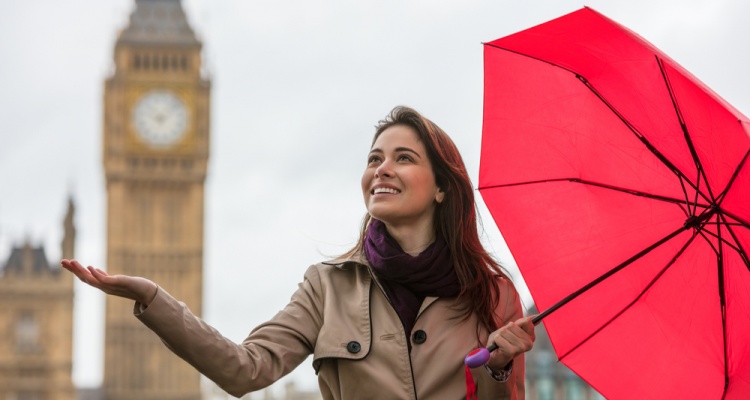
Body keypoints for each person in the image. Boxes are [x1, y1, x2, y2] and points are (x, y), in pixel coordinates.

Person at [62, 106, 535, 400]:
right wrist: (154, 299)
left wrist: (498, 370)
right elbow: (245, 369)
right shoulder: (327, 286)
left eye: (403, 158)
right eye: (374, 159)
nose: (381, 169)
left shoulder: (492, 295)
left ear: (441, 188)